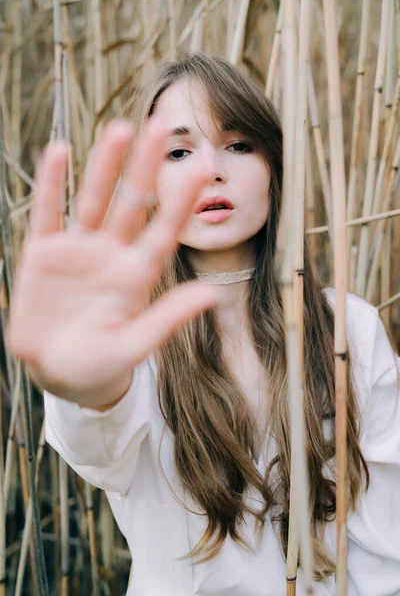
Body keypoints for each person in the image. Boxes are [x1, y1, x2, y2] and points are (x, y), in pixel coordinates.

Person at [7, 53, 400, 595]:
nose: (210, 168)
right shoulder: (129, 339)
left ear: (274, 168)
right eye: (178, 151)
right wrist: (86, 389)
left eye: (239, 144)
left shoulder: (349, 330)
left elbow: (386, 548)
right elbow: (97, 443)